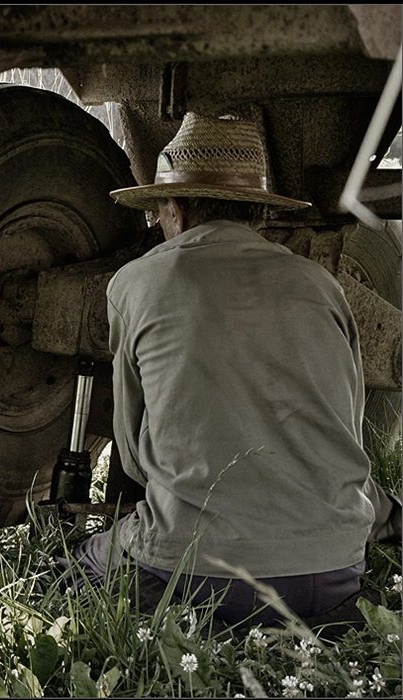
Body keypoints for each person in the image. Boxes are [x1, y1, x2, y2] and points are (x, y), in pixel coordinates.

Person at [59, 112, 401, 628]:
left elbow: (131, 458)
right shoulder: (322, 285)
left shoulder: (135, 283)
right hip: (328, 576)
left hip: (189, 575)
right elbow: (344, 439)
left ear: (172, 208)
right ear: (260, 215)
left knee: (75, 568)